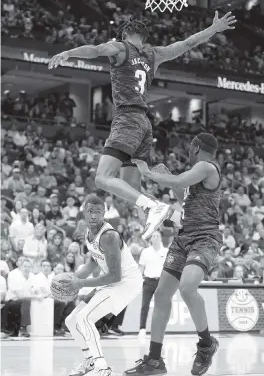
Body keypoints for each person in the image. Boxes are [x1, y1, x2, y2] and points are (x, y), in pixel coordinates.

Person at [48, 13, 236, 240]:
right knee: (131, 188)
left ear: (125, 33)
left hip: (127, 119)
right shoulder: (153, 54)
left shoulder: (121, 47)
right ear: (144, 37)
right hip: (145, 124)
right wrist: (213, 28)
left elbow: (95, 50)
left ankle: (152, 206)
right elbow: (188, 43)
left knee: (102, 178)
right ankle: (176, 216)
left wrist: (69, 53)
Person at [124, 133, 222, 376]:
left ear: (197, 147)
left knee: (188, 287)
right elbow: (184, 197)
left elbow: (178, 179)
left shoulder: (206, 166)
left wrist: (148, 172)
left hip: (205, 238)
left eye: (190, 146)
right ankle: (155, 360)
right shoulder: (197, 174)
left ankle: (206, 344)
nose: (189, 150)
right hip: (184, 236)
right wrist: (170, 181)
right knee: (162, 293)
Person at [61, 195, 143, 376]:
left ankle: (104, 371)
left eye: (98, 212)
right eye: (90, 211)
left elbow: (115, 275)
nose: (93, 216)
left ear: (104, 213)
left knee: (85, 318)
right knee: (71, 320)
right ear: (84, 212)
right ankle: (90, 360)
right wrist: (72, 280)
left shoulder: (109, 236)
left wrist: (80, 284)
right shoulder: (88, 233)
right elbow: (93, 262)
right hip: (112, 282)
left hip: (127, 283)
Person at [138, 231, 168, 339]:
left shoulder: (166, 251)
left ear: (160, 238)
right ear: (151, 239)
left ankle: (159, 329)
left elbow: (168, 268)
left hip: (161, 282)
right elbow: (141, 268)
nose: (155, 237)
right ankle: (142, 329)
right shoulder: (145, 252)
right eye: (153, 236)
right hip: (148, 281)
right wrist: (137, 279)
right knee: (144, 305)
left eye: (157, 236)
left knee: (160, 307)